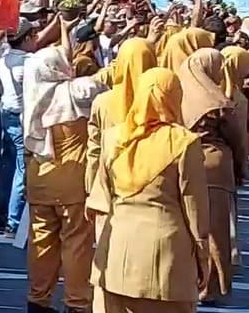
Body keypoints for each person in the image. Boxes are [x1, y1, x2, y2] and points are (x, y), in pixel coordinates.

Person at [90, 67, 209, 313]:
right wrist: (202, 256)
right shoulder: (184, 143)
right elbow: (194, 208)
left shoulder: (113, 138)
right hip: (167, 256)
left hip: (116, 251)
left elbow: (100, 195)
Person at [22, 45, 103, 313]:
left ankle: (38, 299)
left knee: (41, 241)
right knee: (76, 243)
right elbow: (103, 86)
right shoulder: (76, 93)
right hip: (72, 178)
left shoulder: (32, 95)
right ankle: (76, 302)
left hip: (39, 175)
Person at [177, 49, 245, 304]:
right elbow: (236, 138)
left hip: (183, 163)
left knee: (189, 226)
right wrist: (240, 168)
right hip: (215, 165)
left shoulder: (176, 93)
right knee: (216, 231)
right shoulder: (218, 101)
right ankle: (215, 285)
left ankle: (191, 281)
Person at [85, 38, 156, 240]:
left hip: (110, 180)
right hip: (148, 181)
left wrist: (91, 190)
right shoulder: (161, 99)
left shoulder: (102, 101)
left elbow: (94, 149)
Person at [0, 18, 42, 235]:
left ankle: (1, 208)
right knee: (22, 170)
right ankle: (13, 221)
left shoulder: (4, 57)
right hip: (22, 118)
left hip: (6, 113)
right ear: (27, 38)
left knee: (8, 165)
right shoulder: (30, 62)